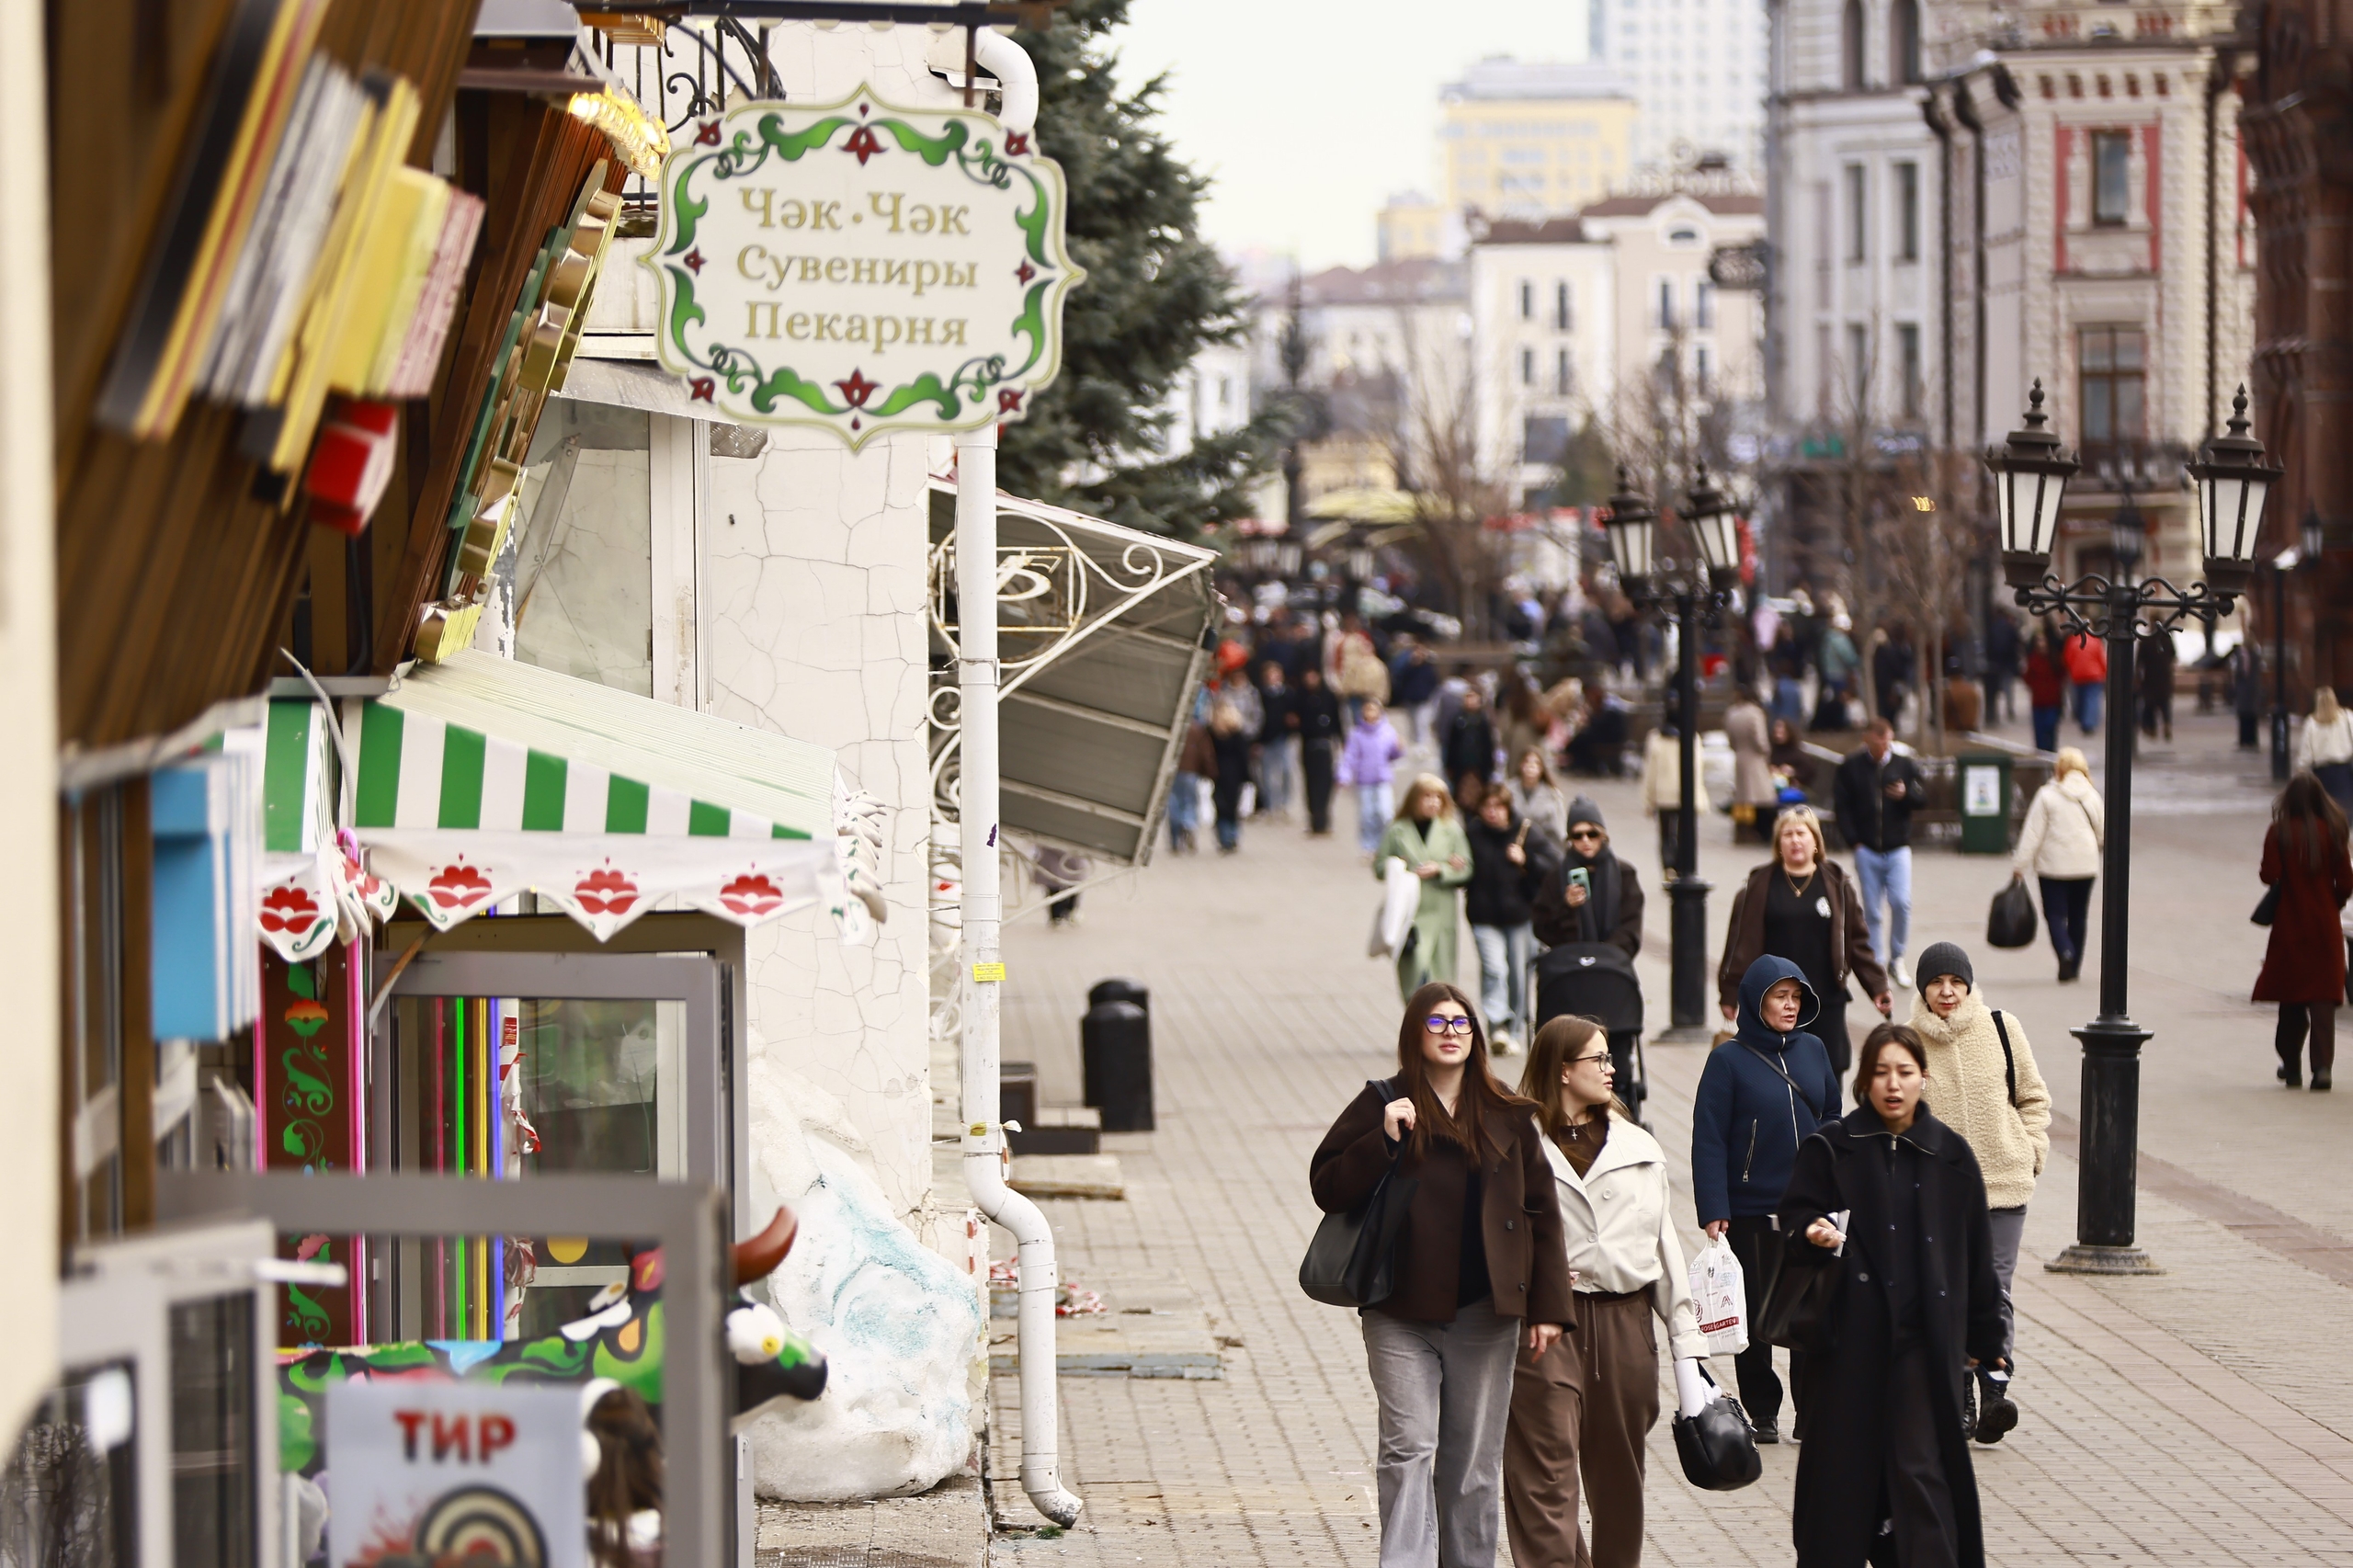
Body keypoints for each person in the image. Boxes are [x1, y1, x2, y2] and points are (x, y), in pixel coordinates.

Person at [1310, 985, 1571, 1568]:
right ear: (1415, 1034)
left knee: (1473, 1464)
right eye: (1437, 1022)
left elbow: (1543, 1214)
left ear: (1475, 1037)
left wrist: (1550, 1307)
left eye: (1462, 1023)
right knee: (1408, 1450)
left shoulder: (1507, 1112)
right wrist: (1381, 1139)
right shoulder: (1383, 1101)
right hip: (1398, 1311)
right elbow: (1326, 1185)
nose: (1451, 1032)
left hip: (1485, 1313)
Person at [1778, 1024, 2005, 1568]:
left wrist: (1987, 1336)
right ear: (1863, 1082)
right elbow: (1795, 1215)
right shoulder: (1833, 1148)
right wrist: (1811, 1231)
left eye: (1905, 1072)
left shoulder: (1951, 1157)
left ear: (1924, 1078)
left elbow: (1976, 1254)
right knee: (1843, 1481)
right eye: (1881, 1073)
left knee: (1920, 1471)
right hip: (1846, 1349)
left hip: (1923, 1351)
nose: (1893, 1085)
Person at [1505, 1016, 1709, 1568]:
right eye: (1598, 1058)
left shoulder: (1638, 1145)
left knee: (1620, 1480)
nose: (1611, 1068)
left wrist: (1687, 1350)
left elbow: (1665, 1248)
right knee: (1544, 1476)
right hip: (1546, 1324)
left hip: (1626, 1323)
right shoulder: (1518, 1142)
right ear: (1564, 1069)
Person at [1691, 956, 1841, 1444]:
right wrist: (1715, 1209)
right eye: (1780, 997)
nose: (1791, 1006)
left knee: (1810, 1315)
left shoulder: (1815, 1050)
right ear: (1756, 1003)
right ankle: (1763, 1411)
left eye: (1796, 997)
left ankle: (1813, 1411)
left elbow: (1834, 1115)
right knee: (1756, 1320)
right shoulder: (1727, 1061)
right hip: (1751, 1211)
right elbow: (1708, 1138)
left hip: (1809, 1211)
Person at [1905, 942, 2050, 1443]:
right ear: (1923, 988)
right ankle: (1960, 1393)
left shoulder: (2003, 1028)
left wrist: (2032, 1150)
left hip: (2005, 1184)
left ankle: (1994, 1390)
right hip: (1940, 1196)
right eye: (1936, 982)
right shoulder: (1908, 1043)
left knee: (1996, 1290)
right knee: (1950, 1293)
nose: (1947, 992)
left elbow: (2032, 1096)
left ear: (1968, 985)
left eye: (1956, 982)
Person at [1718, 805, 1892, 1090]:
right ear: (1778, 843)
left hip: (1825, 999)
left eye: (1802, 833)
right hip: (1774, 1000)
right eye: (1787, 834)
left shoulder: (1836, 883)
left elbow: (1858, 941)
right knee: (1775, 1075)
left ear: (1815, 842)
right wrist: (1730, 992)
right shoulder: (1759, 885)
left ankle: (1826, 1133)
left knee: (1827, 1073)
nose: (1795, 840)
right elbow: (1740, 943)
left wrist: (1877, 986)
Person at [2255, 773, 2353, 1090]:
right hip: (2325, 928)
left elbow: (2269, 875)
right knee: (2323, 1002)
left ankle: (2291, 1065)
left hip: (2290, 926)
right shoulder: (2335, 831)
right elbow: (2347, 882)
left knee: (2291, 999)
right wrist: (2332, 903)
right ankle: (2322, 1069)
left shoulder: (2279, 831)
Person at [1832, 716, 1927, 989]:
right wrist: (1854, 841)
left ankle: (1897, 957)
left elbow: (1922, 798)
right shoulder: (1851, 767)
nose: (1883, 747)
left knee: (1901, 902)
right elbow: (1842, 804)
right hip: (1867, 849)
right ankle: (1877, 962)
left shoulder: (1903, 764)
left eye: (1887, 741)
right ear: (1867, 739)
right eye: (1878, 741)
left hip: (1898, 847)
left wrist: (1905, 794)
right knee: (1872, 910)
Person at [1465, 790, 1555, 1054]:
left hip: (1519, 916)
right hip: (1484, 916)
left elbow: (1553, 866)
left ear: (1507, 808)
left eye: (1498, 806)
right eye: (1487, 806)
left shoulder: (1526, 831)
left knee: (1518, 973)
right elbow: (1464, 869)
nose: (1492, 812)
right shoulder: (1473, 833)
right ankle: (1497, 1026)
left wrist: (1526, 859)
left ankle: (1514, 1028)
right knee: (1494, 969)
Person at [2010, 746, 2105, 982]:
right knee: (2079, 915)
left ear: (2059, 769)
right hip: (2086, 866)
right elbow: (2102, 832)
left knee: (2054, 914)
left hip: (2053, 868)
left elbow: (2032, 833)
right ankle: (2074, 967)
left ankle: (2065, 952)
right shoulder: (2092, 795)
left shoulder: (2047, 795)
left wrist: (2020, 865)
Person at [1377, 775, 1474, 1000]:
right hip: (1410, 913)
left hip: (1441, 913)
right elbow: (1380, 866)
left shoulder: (1451, 830)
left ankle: (1436, 1026)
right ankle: (1416, 1028)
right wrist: (1398, 864)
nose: (1433, 803)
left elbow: (1467, 868)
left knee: (1441, 984)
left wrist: (1441, 869)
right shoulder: (1397, 829)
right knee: (1414, 983)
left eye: (1438, 798)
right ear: (1414, 800)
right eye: (1427, 797)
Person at [1341, 700, 1407, 858]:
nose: (1371, 713)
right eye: (1368, 710)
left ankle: (1385, 844)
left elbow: (1393, 755)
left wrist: (1399, 748)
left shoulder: (1387, 731)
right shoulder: (1357, 734)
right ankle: (1368, 846)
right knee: (1367, 814)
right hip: (1364, 780)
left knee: (1385, 812)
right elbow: (1349, 757)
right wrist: (1344, 775)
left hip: (1382, 778)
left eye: (1374, 710)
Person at [1296, 666, 1344, 835]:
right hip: (1308, 744)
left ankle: (1323, 819)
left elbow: (1338, 720)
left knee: (1325, 784)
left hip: (1325, 744)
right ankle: (1314, 819)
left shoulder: (1328, 696)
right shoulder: (1301, 697)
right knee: (1310, 784)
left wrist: (1342, 741)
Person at [1727, 684, 1776, 845]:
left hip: (1740, 757)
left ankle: (1744, 832)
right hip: (1755, 759)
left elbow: (1731, 740)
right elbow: (1760, 739)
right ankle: (1764, 833)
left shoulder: (1732, 713)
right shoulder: (1755, 713)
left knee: (1745, 796)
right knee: (1763, 796)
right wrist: (1766, 752)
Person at [2293, 687, 2353, 813]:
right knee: (2344, 813)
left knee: (2324, 813)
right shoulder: (2347, 718)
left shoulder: (2312, 723)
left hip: (2322, 775)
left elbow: (2306, 753)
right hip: (2344, 774)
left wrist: (2301, 769)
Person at [1640, 716, 1685, 876]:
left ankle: (1668, 867)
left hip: (1663, 792)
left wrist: (1648, 799)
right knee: (1682, 834)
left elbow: (1650, 771)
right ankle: (1680, 867)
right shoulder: (1691, 736)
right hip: (1683, 793)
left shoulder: (1656, 738)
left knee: (1666, 834)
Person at [1506, 747, 1569, 848]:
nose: (1531, 766)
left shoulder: (1553, 795)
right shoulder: (1508, 790)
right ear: (1520, 765)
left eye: (1536, 763)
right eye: (1527, 762)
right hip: (1512, 844)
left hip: (1542, 846)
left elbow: (1559, 829)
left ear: (1541, 769)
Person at [1443, 686, 1499, 800]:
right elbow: (1451, 744)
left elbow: (1488, 744)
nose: (1470, 700)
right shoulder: (1457, 718)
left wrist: (1490, 765)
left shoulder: (1483, 720)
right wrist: (1449, 765)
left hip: (1480, 766)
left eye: (1473, 697)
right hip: (1460, 765)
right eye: (1468, 697)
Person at [1257, 661, 1297, 819]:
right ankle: (1270, 805)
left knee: (1286, 771)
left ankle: (1284, 804)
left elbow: (1294, 715)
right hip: (1266, 740)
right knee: (1267, 775)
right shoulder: (1261, 694)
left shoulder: (1288, 694)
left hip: (1284, 738)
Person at [1169, 714, 1212, 854]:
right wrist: (1208, 771)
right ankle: (1188, 825)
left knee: (1173, 803)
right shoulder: (1197, 729)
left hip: (1172, 771)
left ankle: (1175, 839)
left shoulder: (1172, 727)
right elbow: (1205, 752)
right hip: (1191, 771)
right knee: (1190, 802)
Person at [2023, 619, 2067, 754]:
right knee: (2040, 732)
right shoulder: (2034, 660)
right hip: (2038, 702)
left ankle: (2050, 753)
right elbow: (2027, 677)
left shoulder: (2054, 659)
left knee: (2050, 728)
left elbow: (2062, 674)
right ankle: (2041, 753)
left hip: (2052, 701)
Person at [1392, 641, 1442, 753]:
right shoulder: (1407, 667)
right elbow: (1400, 679)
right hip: (1410, 699)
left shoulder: (1428, 668)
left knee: (1422, 723)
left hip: (1424, 700)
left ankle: (1423, 745)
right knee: (1412, 723)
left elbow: (1434, 683)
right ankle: (1414, 745)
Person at [1813, 613, 1859, 731]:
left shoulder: (1826, 639)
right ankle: (1840, 723)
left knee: (1832, 700)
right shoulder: (1839, 639)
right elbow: (1849, 657)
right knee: (1841, 700)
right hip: (1839, 674)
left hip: (1829, 673)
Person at [2064, 626, 2108, 734]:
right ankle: (2089, 722)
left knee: (2081, 699)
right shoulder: (2095, 641)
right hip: (2094, 675)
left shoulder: (2073, 640)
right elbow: (2101, 658)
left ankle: (2083, 719)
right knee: (2092, 699)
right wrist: (2104, 672)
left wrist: (2072, 669)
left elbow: (2067, 657)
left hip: (2078, 674)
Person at [2136, 630, 2176, 742]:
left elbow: (2140, 661)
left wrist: (2138, 677)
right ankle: (2167, 724)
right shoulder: (2167, 639)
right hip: (2164, 676)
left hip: (2150, 677)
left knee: (2149, 705)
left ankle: (2151, 728)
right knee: (2165, 704)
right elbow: (2173, 655)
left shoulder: (2146, 640)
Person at [1984, 609, 2021, 726]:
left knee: (1995, 690)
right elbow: (2017, 644)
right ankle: (2009, 709)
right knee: (2008, 688)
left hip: (1996, 664)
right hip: (2008, 663)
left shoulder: (1992, 628)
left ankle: (1996, 712)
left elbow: (1988, 646)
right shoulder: (2010, 628)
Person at [2232, 640, 2266, 750]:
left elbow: (2239, 673)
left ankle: (2244, 740)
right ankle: (2252, 740)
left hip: (2244, 690)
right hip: (2253, 690)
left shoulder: (2243, 656)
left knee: (2244, 717)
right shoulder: (2256, 655)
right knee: (2252, 716)